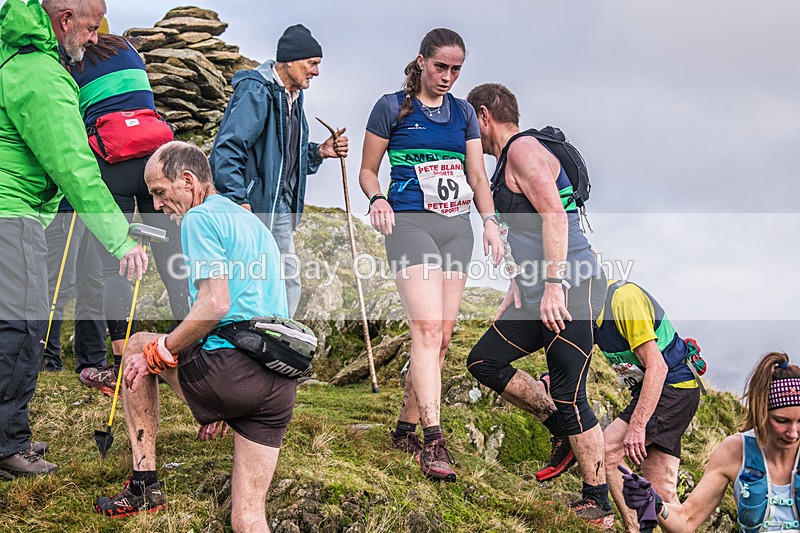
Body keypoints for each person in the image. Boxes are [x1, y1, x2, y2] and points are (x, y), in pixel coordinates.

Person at [94, 142, 296, 533]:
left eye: (159, 191)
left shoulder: (200, 218)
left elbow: (215, 304)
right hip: (277, 382)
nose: (156, 204)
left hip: (231, 373)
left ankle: (143, 485)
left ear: (188, 181)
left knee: (138, 345)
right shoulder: (250, 221)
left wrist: (159, 352)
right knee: (249, 517)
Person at [0, 0, 147, 479]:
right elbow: (74, 168)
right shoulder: (41, 74)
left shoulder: (13, 56)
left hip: (16, 210)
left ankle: (9, 433)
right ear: (65, 20)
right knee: (21, 331)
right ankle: (6, 445)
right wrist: (120, 238)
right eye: (89, 28)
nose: (92, 38)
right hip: (12, 213)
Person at [359, 28, 503, 482]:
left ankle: (405, 426)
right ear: (421, 61)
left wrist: (490, 223)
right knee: (424, 329)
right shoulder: (390, 107)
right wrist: (377, 198)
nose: (448, 76)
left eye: (456, 69)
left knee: (440, 338)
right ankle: (433, 441)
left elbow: (477, 176)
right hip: (410, 224)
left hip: (456, 229)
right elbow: (367, 169)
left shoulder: (462, 113)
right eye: (440, 66)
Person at [464, 83, 611, 527]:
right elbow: (524, 229)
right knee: (485, 361)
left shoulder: (523, 150)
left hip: (573, 287)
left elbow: (552, 216)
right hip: (537, 289)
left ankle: (597, 499)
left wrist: (552, 286)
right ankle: (561, 431)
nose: (467, 131)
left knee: (570, 391)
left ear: (484, 116)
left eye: (471, 122)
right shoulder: (505, 162)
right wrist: (517, 281)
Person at [65, 31, 189, 395]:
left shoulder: (71, 62)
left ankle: (119, 369)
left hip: (111, 161)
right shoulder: (127, 48)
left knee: (115, 264)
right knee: (173, 262)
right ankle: (192, 352)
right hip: (156, 159)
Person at [531, 279, 703, 533]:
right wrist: (551, 378)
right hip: (665, 389)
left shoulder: (623, 301)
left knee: (607, 451)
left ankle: (634, 529)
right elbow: (580, 356)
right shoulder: (589, 312)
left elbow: (658, 366)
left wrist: (637, 426)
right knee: (662, 492)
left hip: (672, 386)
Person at [210, 23, 349, 317]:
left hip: (279, 207)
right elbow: (227, 150)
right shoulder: (257, 91)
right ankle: (247, 343)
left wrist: (318, 152)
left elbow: (282, 156)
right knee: (254, 278)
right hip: (254, 206)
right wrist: (238, 200)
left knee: (285, 278)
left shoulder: (293, 97)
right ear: (288, 60)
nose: (316, 71)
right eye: (312, 63)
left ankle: (279, 340)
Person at [621, 351, 800, 533]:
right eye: (781, 421)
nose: (793, 434)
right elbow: (686, 519)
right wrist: (655, 503)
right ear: (761, 412)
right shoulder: (736, 451)